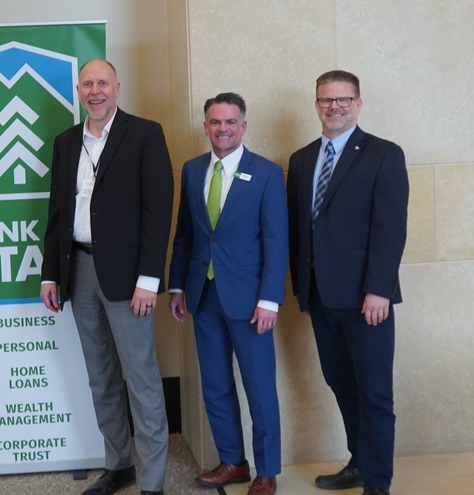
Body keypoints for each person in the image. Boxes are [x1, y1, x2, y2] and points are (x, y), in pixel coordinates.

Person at [40, 59, 173, 495]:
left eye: (103, 83)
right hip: (78, 270)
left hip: (129, 277)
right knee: (100, 376)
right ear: (78, 91)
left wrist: (149, 280)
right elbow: (57, 212)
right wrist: (50, 275)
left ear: (117, 88)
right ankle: (119, 466)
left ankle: (152, 481)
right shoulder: (65, 142)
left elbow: (158, 213)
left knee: (141, 377)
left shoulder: (145, 134)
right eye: (87, 85)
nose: (95, 91)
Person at [287, 70, 408, 495]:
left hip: (365, 300)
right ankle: (359, 462)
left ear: (358, 104)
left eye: (343, 100)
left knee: (374, 395)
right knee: (342, 384)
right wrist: (301, 288)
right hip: (321, 299)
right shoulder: (301, 160)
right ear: (316, 104)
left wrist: (379, 288)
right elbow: (299, 230)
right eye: (326, 100)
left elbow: (390, 230)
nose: (334, 107)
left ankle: (377, 484)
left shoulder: (383, 154)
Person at [168, 93, 287, 495]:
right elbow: (185, 234)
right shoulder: (192, 170)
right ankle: (233, 462)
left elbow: (276, 241)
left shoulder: (268, 174)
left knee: (259, 388)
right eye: (215, 122)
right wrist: (178, 284)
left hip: (250, 302)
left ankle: (267, 471)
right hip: (203, 297)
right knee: (215, 385)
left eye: (230, 122)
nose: (223, 129)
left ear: (244, 126)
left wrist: (270, 300)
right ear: (205, 127)